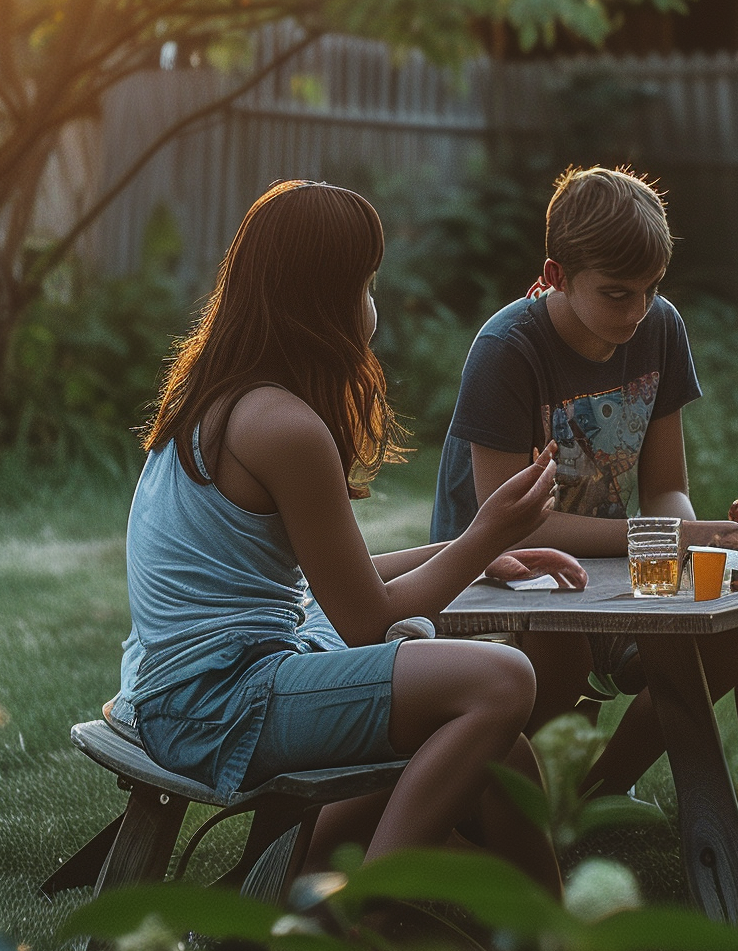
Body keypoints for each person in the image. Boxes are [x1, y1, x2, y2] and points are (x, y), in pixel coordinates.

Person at [120, 178, 586, 894]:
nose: (374, 303)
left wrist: (479, 548)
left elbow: (336, 582)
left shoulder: (216, 397)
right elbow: (368, 622)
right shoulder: (283, 427)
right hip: (216, 702)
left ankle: (543, 947)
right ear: (325, 296)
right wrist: (486, 530)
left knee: (500, 740)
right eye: (367, 283)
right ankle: (358, 920)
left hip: (196, 682)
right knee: (501, 680)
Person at [428, 164, 738, 794]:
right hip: (495, 578)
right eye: (616, 293)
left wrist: (691, 539)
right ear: (556, 276)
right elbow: (515, 531)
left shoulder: (661, 327)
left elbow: (664, 486)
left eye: (652, 287)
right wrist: (670, 538)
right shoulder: (508, 350)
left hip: (600, 566)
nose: (638, 309)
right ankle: (493, 798)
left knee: (728, 634)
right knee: (560, 653)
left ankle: (596, 794)